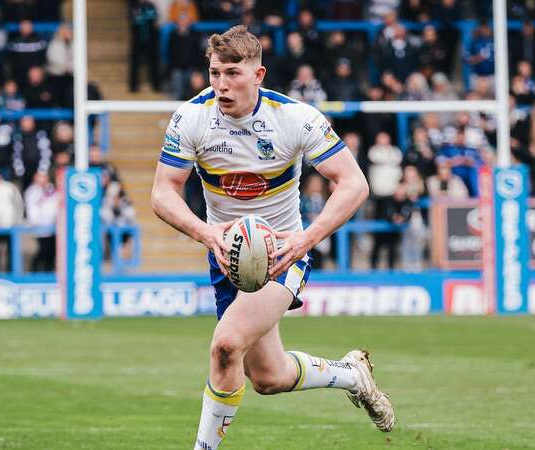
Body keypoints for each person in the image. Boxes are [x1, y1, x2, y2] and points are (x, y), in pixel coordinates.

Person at [150, 26, 395, 450]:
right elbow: (161, 192)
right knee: (268, 377)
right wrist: (208, 233)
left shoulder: (295, 119)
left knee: (226, 346)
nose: (221, 85)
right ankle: (350, 375)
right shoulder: (191, 117)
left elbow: (353, 184)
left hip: (283, 253)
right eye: (214, 73)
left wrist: (306, 240)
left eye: (233, 74)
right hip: (227, 255)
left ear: (258, 75)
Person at [24, 170, 58, 272]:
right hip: (39, 227)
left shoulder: (52, 189)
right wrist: (35, 222)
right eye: (40, 177)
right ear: (35, 178)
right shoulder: (32, 191)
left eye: (44, 177)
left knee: (51, 252)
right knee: (42, 251)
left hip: (53, 226)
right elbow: (31, 209)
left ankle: (49, 273)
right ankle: (34, 273)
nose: (43, 179)